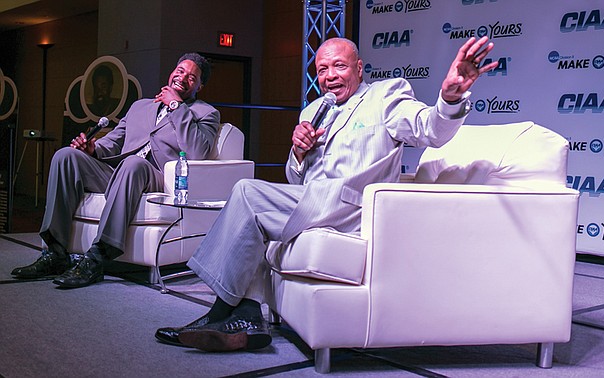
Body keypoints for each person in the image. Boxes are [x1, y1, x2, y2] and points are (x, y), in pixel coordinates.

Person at [155, 37, 498, 351]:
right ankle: (246, 317)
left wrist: (451, 98)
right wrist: (299, 153)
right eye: (322, 69)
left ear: (359, 68)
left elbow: (430, 128)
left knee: (247, 192)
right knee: (254, 218)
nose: (330, 75)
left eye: (339, 66)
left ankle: (219, 312)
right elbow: (295, 177)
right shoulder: (313, 110)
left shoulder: (386, 97)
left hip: (351, 206)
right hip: (314, 202)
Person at [11, 53, 221, 288]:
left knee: (133, 164)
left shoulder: (205, 113)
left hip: (156, 177)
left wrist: (176, 105)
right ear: (172, 72)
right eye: (180, 71)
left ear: (200, 86)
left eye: (192, 77)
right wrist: (93, 149)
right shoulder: (140, 106)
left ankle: (97, 258)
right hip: (120, 173)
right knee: (66, 156)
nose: (183, 78)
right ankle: (55, 253)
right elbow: (114, 140)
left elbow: (198, 152)